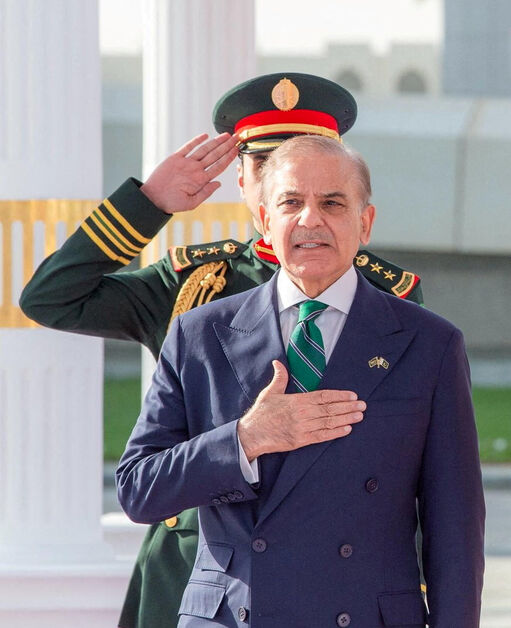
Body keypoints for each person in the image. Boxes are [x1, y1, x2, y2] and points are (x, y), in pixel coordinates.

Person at [18, 72, 424, 628]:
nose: (287, 173)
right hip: (196, 572)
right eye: (266, 163)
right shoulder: (196, 284)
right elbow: (51, 298)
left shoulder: (386, 295)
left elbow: (408, 462)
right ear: (242, 180)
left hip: (335, 574)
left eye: (304, 158)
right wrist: (147, 204)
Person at [116, 135, 484, 627]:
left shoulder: (428, 344)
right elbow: (139, 490)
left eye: (333, 203)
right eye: (291, 202)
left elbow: (455, 528)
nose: (310, 219)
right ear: (265, 220)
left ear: (365, 222)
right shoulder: (199, 334)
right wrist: (245, 440)